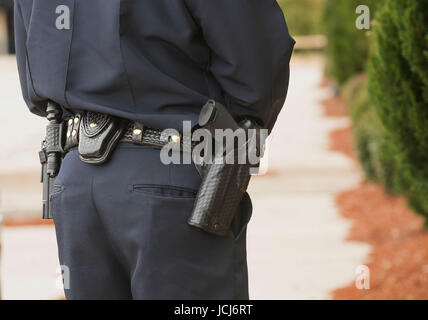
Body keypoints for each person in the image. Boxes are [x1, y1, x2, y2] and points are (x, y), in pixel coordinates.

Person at [14, 0, 295, 300]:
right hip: (173, 177)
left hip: (78, 183)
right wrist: (228, 129)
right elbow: (258, 65)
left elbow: (35, 81)